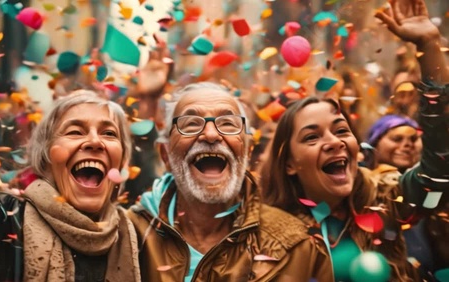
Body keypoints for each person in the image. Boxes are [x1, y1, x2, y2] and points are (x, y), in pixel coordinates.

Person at [0, 2, 140, 281]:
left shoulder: (143, 240)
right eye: (75, 131)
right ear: (45, 157)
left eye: (109, 133)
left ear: (121, 162)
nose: (95, 141)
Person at [260, 0, 449, 280]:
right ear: (289, 163)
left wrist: (430, 45)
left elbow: (438, 174)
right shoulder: (264, 230)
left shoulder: (383, 200)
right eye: (312, 136)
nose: (334, 142)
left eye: (341, 130)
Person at [127, 82, 333, 281]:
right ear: (166, 155)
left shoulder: (297, 246)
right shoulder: (129, 235)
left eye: (227, 123)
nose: (210, 134)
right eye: (191, 124)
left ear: (248, 150)